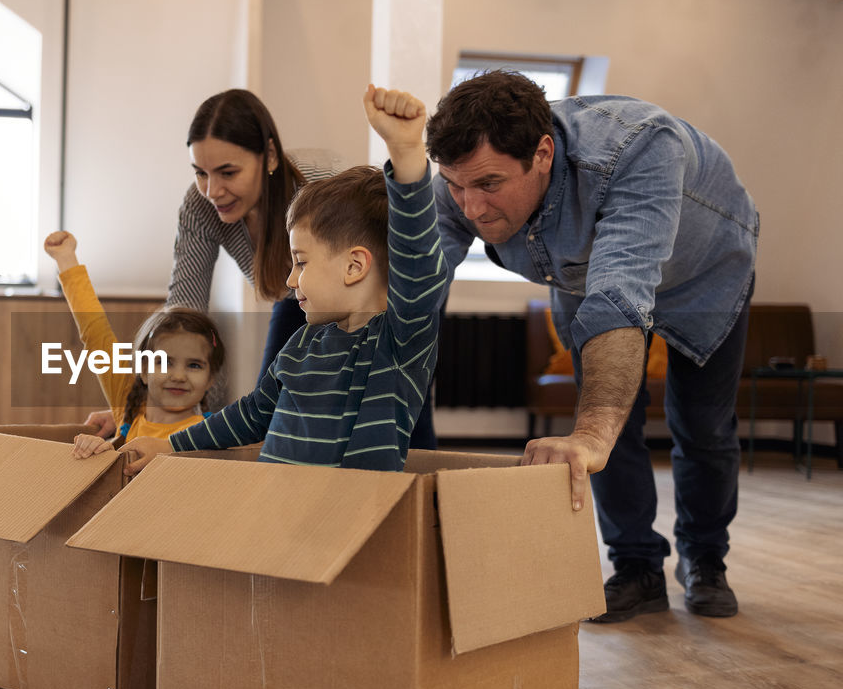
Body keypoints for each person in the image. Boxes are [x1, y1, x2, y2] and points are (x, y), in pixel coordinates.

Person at [424, 70, 758, 621]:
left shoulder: (642, 146)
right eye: (456, 186)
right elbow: (420, 286)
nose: (472, 208)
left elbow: (620, 296)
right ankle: (636, 566)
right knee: (607, 424)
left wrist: (590, 434)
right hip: (586, 274)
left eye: (488, 185)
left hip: (707, 269)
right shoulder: (462, 172)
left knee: (701, 423)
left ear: (543, 154)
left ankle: (704, 558)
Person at [84, 88, 438, 449]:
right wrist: (152, 408)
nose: (212, 190)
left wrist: (406, 153)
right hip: (306, 301)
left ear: (268, 156)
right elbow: (185, 317)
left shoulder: (320, 185)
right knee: (279, 396)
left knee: (396, 385)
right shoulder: (299, 342)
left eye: (227, 172)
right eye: (201, 173)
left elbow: (412, 252)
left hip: (374, 302)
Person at [43, 231, 226, 458]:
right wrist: (65, 258)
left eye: (194, 365)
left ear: (211, 379)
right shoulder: (127, 406)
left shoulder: (211, 434)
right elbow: (95, 333)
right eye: (164, 362)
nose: (179, 375)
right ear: (144, 371)